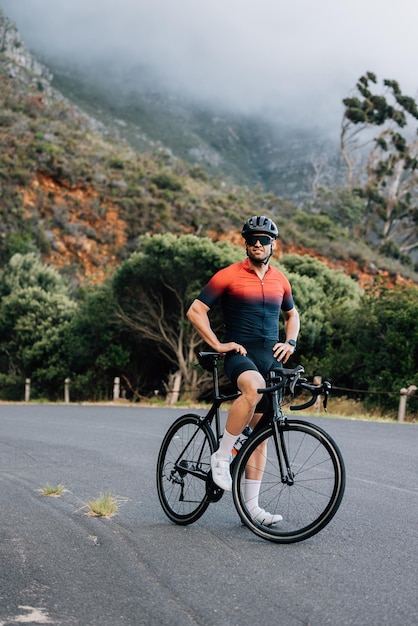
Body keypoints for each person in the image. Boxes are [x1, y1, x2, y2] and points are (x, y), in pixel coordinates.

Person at [187, 215, 300, 526]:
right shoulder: (229, 275)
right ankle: (221, 456)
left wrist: (289, 342)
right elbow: (196, 310)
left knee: (260, 437)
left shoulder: (280, 280)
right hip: (240, 354)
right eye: (252, 238)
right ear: (245, 243)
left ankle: (252, 508)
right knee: (251, 387)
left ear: (274, 244)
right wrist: (218, 344)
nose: (258, 243)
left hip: (271, 356)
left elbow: (293, 315)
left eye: (264, 239)